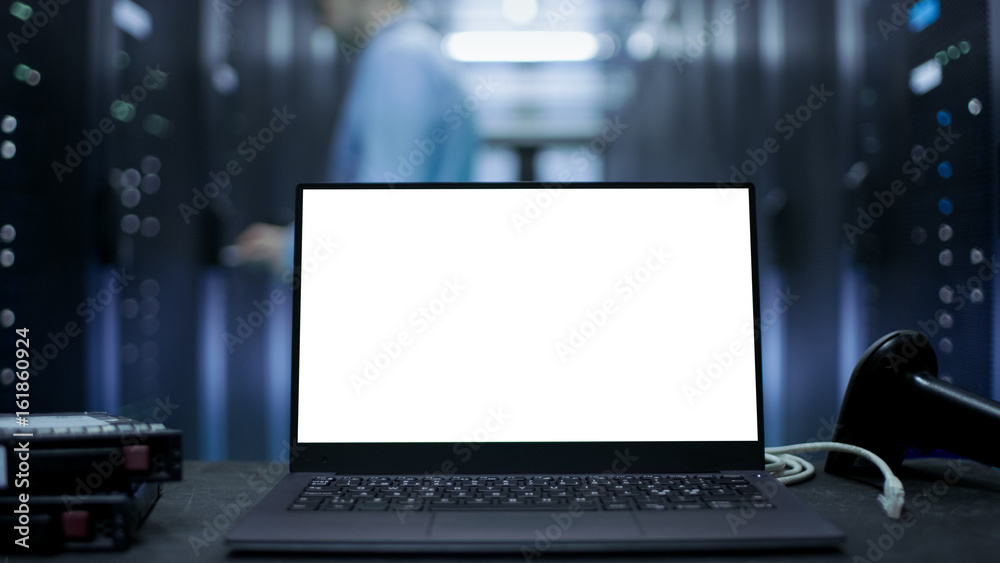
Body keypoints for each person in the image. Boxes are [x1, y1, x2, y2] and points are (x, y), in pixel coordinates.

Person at [236, 0, 478, 272]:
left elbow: (384, 197)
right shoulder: (420, 49)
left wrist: (295, 247)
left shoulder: (399, 58)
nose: (317, 13)